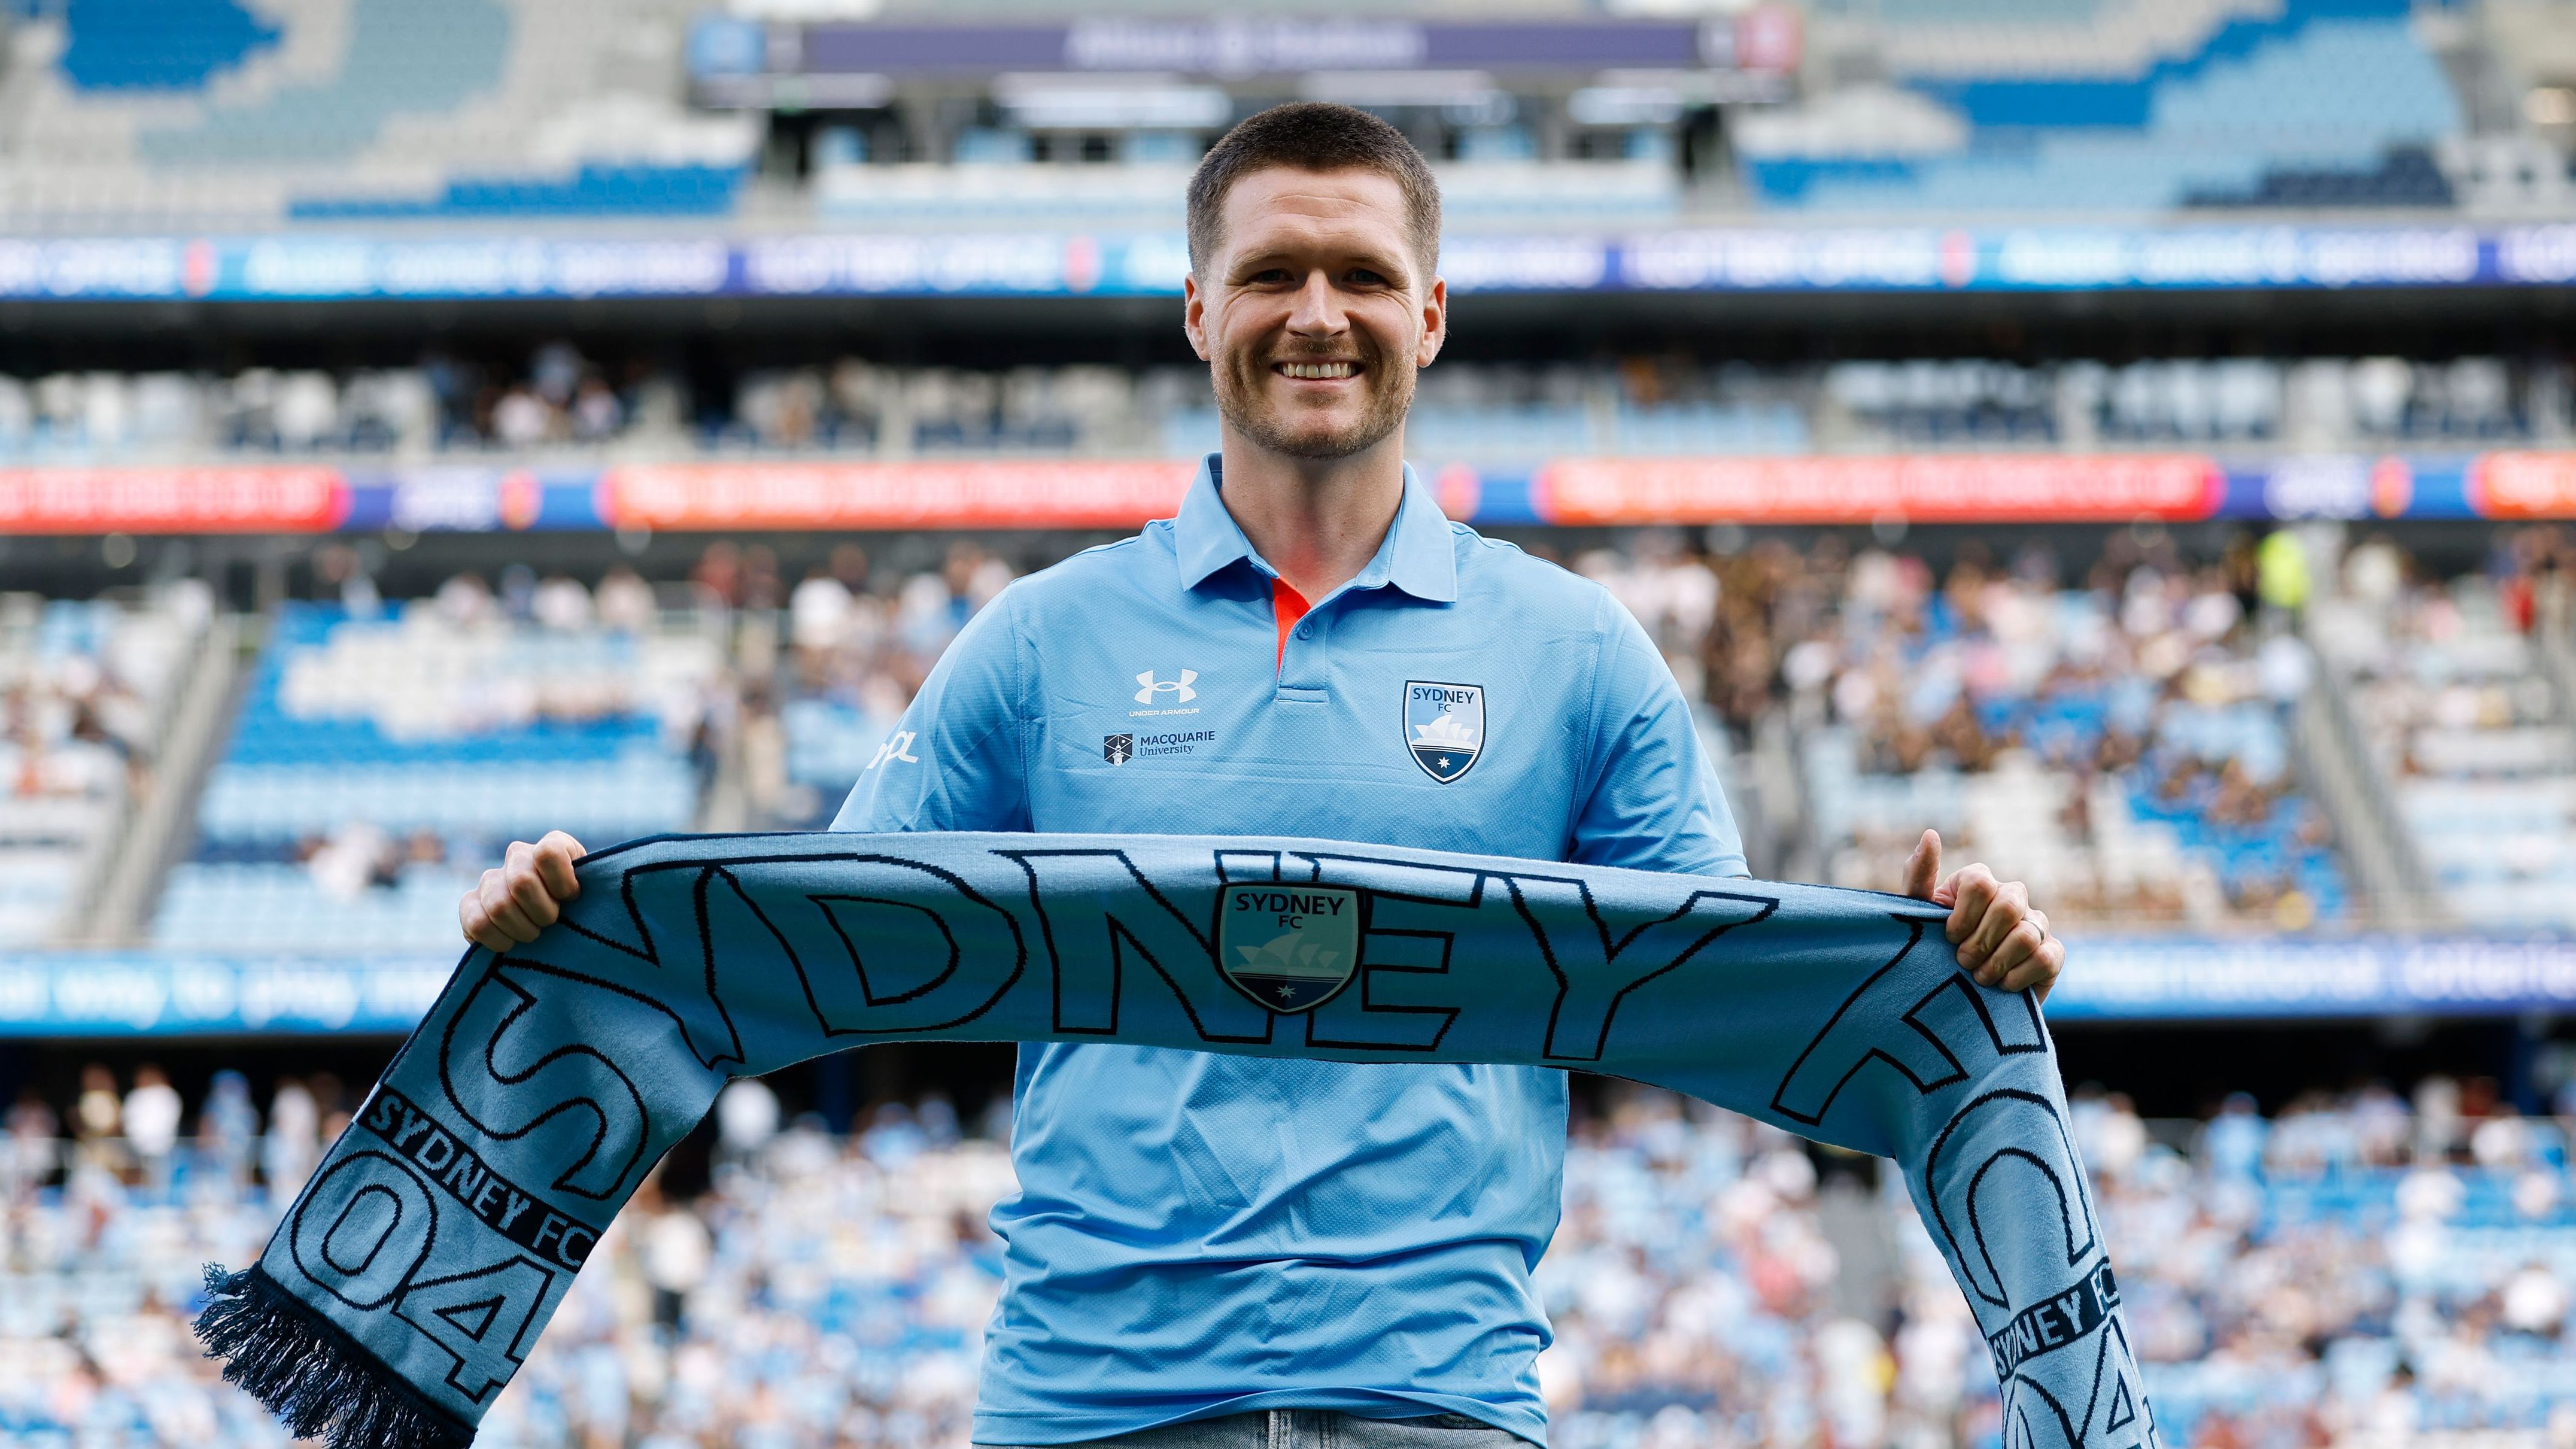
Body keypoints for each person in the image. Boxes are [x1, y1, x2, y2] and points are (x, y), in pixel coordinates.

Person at [461, 102, 2064, 1449]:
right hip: (1091, 1410)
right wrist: (579, 918)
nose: (1318, 312)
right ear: (1197, 310)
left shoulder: (1578, 654)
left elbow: (1731, 981)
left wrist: (1922, 947)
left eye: (1364, 274)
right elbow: (816, 943)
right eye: (1272, 272)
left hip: (1436, 1408)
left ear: (1430, 313)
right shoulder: (1037, 642)